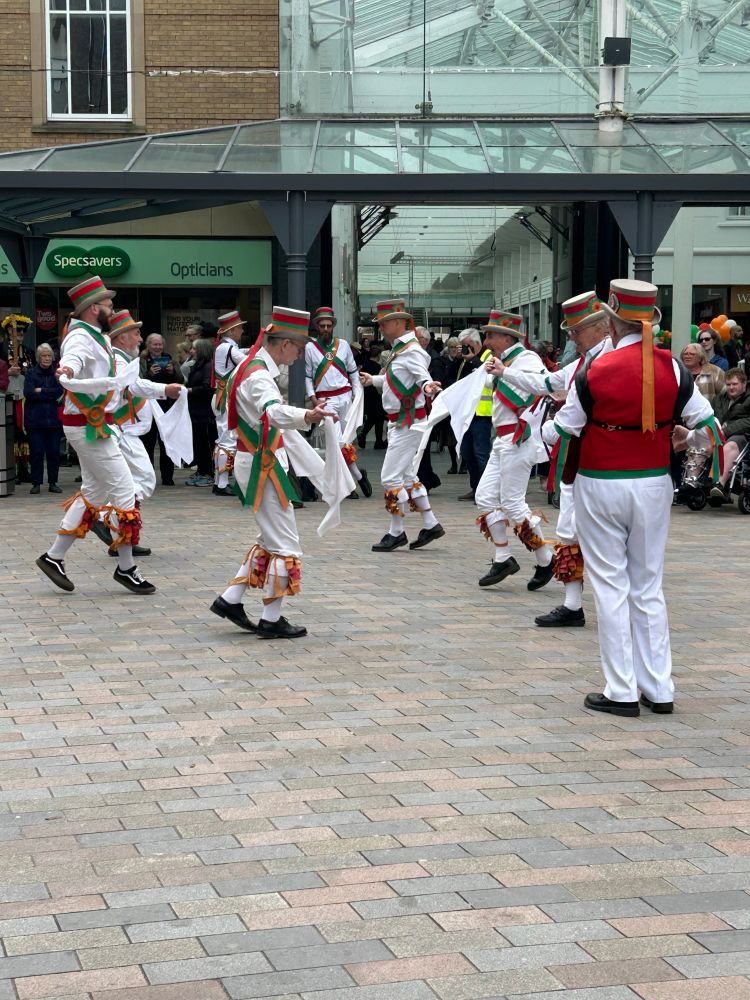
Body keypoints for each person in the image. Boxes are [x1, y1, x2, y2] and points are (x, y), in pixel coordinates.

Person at [555, 279, 717, 717]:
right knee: (648, 586)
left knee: (611, 585)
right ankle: (659, 687)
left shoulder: (594, 369)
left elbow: (565, 428)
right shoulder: (676, 368)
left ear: (610, 320)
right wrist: (684, 439)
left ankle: (621, 690)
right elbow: (708, 425)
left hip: (600, 481)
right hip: (653, 482)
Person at [209, 306, 335, 639]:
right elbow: (273, 411)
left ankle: (230, 599)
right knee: (286, 544)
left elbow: (220, 405)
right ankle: (270, 618)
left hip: (256, 462)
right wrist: (307, 416)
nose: (298, 356)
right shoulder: (260, 374)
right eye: (299, 348)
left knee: (270, 538)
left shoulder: (247, 367)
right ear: (284, 344)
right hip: (262, 465)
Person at [36, 276, 156, 596]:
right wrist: (67, 371)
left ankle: (54, 556)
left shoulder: (94, 334)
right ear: (92, 309)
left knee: (93, 493)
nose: (111, 308)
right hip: (89, 426)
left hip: (92, 424)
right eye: (108, 304)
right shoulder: (81, 337)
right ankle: (127, 568)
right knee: (125, 493)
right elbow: (72, 361)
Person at [496, 291, 610, 626]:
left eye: (577, 330)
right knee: (570, 527)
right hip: (586, 457)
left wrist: (548, 429)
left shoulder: (601, 362)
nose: (571, 337)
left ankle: (610, 605)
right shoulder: (583, 361)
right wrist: (505, 373)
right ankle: (574, 605)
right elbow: (547, 381)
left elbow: (569, 416)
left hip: (596, 455)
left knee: (600, 531)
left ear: (602, 327)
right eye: (571, 330)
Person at [477, 310, 554, 590]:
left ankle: (546, 559)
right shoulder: (500, 361)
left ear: (506, 337)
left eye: (490, 334)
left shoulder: (527, 359)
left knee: (512, 503)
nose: (485, 340)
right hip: (502, 440)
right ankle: (503, 557)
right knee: (485, 496)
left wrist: (502, 374)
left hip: (520, 439)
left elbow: (535, 391)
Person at [360, 299, 445, 552]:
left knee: (390, 477)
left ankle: (396, 531)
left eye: (385, 323)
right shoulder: (401, 349)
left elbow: (420, 375)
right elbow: (396, 378)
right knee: (407, 476)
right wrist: (373, 380)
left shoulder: (411, 350)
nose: (382, 328)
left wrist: (428, 386)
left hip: (408, 422)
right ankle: (430, 524)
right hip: (405, 421)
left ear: (398, 322)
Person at [96, 309, 182, 555]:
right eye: (136, 333)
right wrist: (165, 389)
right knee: (143, 480)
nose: (140, 339)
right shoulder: (120, 360)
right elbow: (136, 386)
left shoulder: (121, 358)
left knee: (130, 483)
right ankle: (105, 517)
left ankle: (122, 538)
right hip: (123, 430)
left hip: (125, 430)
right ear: (121, 337)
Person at [305, 306, 371, 498]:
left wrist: (357, 395)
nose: (325, 329)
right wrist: (312, 397)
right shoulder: (310, 348)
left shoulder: (342, 345)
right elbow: (307, 376)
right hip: (326, 401)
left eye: (329, 325)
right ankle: (356, 478)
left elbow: (352, 371)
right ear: (317, 327)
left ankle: (350, 480)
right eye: (322, 325)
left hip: (345, 397)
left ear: (333, 326)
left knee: (346, 440)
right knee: (337, 442)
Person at [211, 311, 248, 496]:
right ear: (232, 331)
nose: (241, 331)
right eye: (240, 328)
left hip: (222, 395)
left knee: (223, 439)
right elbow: (247, 363)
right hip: (225, 397)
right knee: (227, 440)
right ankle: (222, 484)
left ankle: (220, 481)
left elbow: (243, 354)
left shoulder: (225, 347)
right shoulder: (227, 349)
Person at [139, 333, 183, 486]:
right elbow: (137, 382)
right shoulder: (142, 361)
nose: (157, 347)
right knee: (147, 442)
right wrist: (149, 374)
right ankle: (147, 476)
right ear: (148, 345)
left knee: (166, 442)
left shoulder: (170, 360)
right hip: (148, 406)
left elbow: (181, 381)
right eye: (154, 344)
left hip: (166, 406)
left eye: (160, 344)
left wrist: (173, 372)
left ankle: (167, 477)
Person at [455, 328, 493, 501]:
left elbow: (487, 374)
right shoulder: (465, 360)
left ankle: (485, 492)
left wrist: (473, 360)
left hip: (483, 413)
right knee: (467, 452)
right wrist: (458, 360)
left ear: (477, 343)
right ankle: (476, 487)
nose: (465, 349)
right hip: (467, 413)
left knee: (481, 453)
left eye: (467, 345)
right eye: (462, 346)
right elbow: (454, 378)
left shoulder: (488, 357)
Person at [24, 343, 63, 495]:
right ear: (38, 358)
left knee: (54, 452)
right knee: (37, 453)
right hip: (35, 421)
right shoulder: (31, 374)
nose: (47, 358)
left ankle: (53, 482)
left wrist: (41, 390)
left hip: (53, 420)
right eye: (44, 356)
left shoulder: (57, 374)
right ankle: (36, 483)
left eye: (49, 356)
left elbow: (59, 392)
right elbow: (29, 393)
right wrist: (48, 393)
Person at [710, 368, 750, 502]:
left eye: (734, 384)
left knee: (729, 446)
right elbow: (711, 416)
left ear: (744, 384)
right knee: (699, 442)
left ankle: (719, 484)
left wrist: (726, 432)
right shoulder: (719, 399)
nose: (731, 387)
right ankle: (692, 482)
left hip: (742, 436)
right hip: (718, 433)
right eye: (728, 384)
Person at [185, 337, 218, 486]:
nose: (191, 351)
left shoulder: (208, 366)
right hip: (195, 410)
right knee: (198, 442)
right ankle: (202, 469)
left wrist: (190, 390)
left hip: (205, 412)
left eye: (194, 348)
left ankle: (210, 472)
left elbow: (208, 387)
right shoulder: (197, 365)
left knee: (206, 443)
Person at [358, 344, 386, 450]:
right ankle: (377, 440)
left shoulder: (365, 366)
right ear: (378, 355)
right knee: (378, 418)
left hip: (366, 396)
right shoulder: (378, 367)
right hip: (376, 397)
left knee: (372, 418)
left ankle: (366, 437)